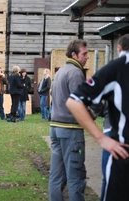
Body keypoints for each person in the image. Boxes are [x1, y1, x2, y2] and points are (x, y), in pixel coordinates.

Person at [66, 34, 129, 201]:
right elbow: (75, 100)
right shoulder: (118, 69)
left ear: (119, 48)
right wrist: (101, 137)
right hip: (122, 155)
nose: (87, 57)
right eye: (85, 54)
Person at [48, 39, 89, 201]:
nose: (87, 57)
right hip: (70, 130)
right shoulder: (75, 73)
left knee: (56, 176)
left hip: (55, 127)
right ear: (74, 54)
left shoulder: (61, 71)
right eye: (84, 54)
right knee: (76, 177)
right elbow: (80, 102)